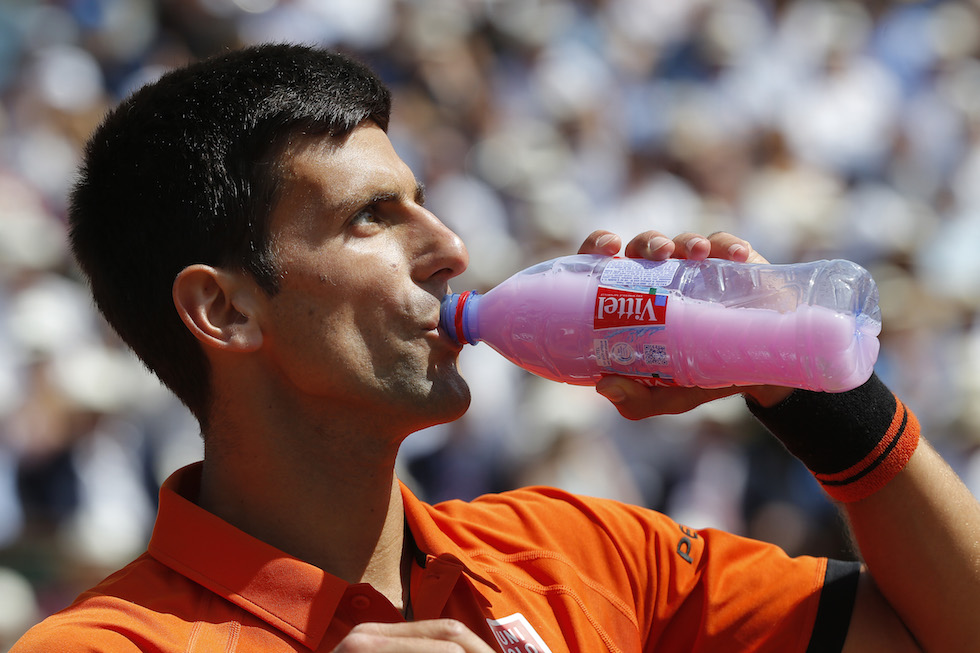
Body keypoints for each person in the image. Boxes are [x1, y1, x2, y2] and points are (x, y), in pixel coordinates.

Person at [11, 43, 979, 653]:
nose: (450, 248)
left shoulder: (586, 554)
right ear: (223, 311)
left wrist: (793, 381)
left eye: (422, 200)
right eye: (371, 219)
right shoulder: (103, 643)